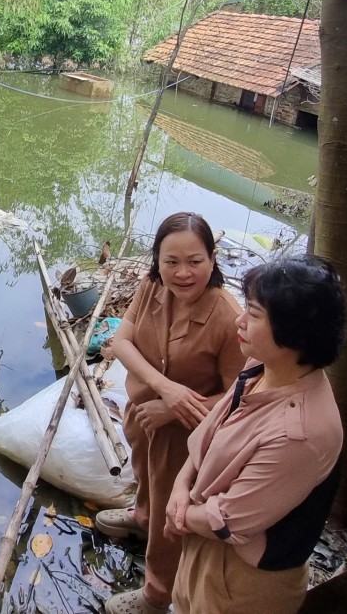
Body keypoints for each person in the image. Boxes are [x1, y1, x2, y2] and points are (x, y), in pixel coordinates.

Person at [165, 255, 347, 614]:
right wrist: (179, 488)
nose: (240, 320)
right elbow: (209, 435)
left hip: (242, 581)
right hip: (203, 545)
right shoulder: (261, 368)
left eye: (255, 314)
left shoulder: (301, 434)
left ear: (295, 333)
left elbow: (229, 521)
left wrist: (180, 514)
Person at [100, 213, 247, 614]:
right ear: (157, 261)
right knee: (144, 475)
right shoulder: (151, 287)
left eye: (194, 261)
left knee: (173, 512)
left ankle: (156, 594)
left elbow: (241, 394)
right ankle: (141, 516)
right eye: (171, 262)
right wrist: (164, 387)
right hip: (143, 412)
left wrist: (175, 407)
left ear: (212, 260)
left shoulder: (229, 318)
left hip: (187, 433)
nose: (183, 273)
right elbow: (121, 341)